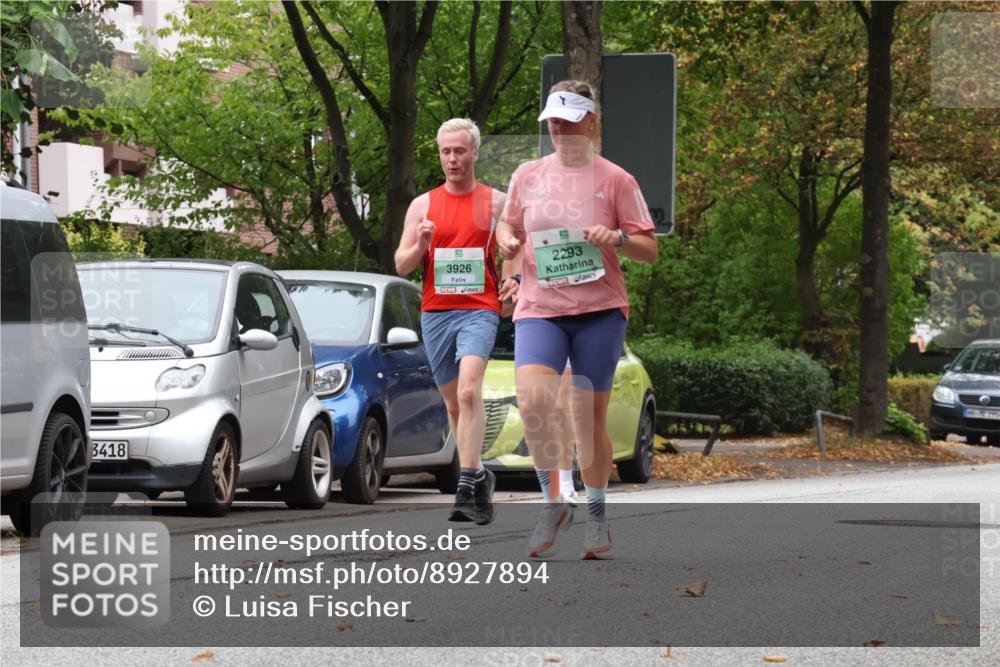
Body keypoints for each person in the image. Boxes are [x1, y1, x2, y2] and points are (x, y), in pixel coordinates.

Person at [496, 80, 659, 558]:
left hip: (599, 312)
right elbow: (511, 225)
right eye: (552, 120)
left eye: (568, 120)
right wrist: (508, 243)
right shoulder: (526, 174)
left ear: (591, 122)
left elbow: (650, 249)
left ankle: (597, 518)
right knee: (532, 402)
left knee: (587, 421)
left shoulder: (616, 180)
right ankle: (553, 503)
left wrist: (617, 238)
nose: (558, 128)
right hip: (540, 309)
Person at [395, 118, 517, 525]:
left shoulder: (496, 203)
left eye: (459, 151)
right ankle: (481, 476)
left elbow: (515, 243)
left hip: (479, 308)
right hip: (435, 312)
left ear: (475, 153)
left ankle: (465, 483)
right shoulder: (423, 206)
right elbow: (401, 265)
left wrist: (512, 276)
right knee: (453, 403)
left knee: (468, 392)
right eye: (446, 151)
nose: (452, 159)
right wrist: (422, 243)